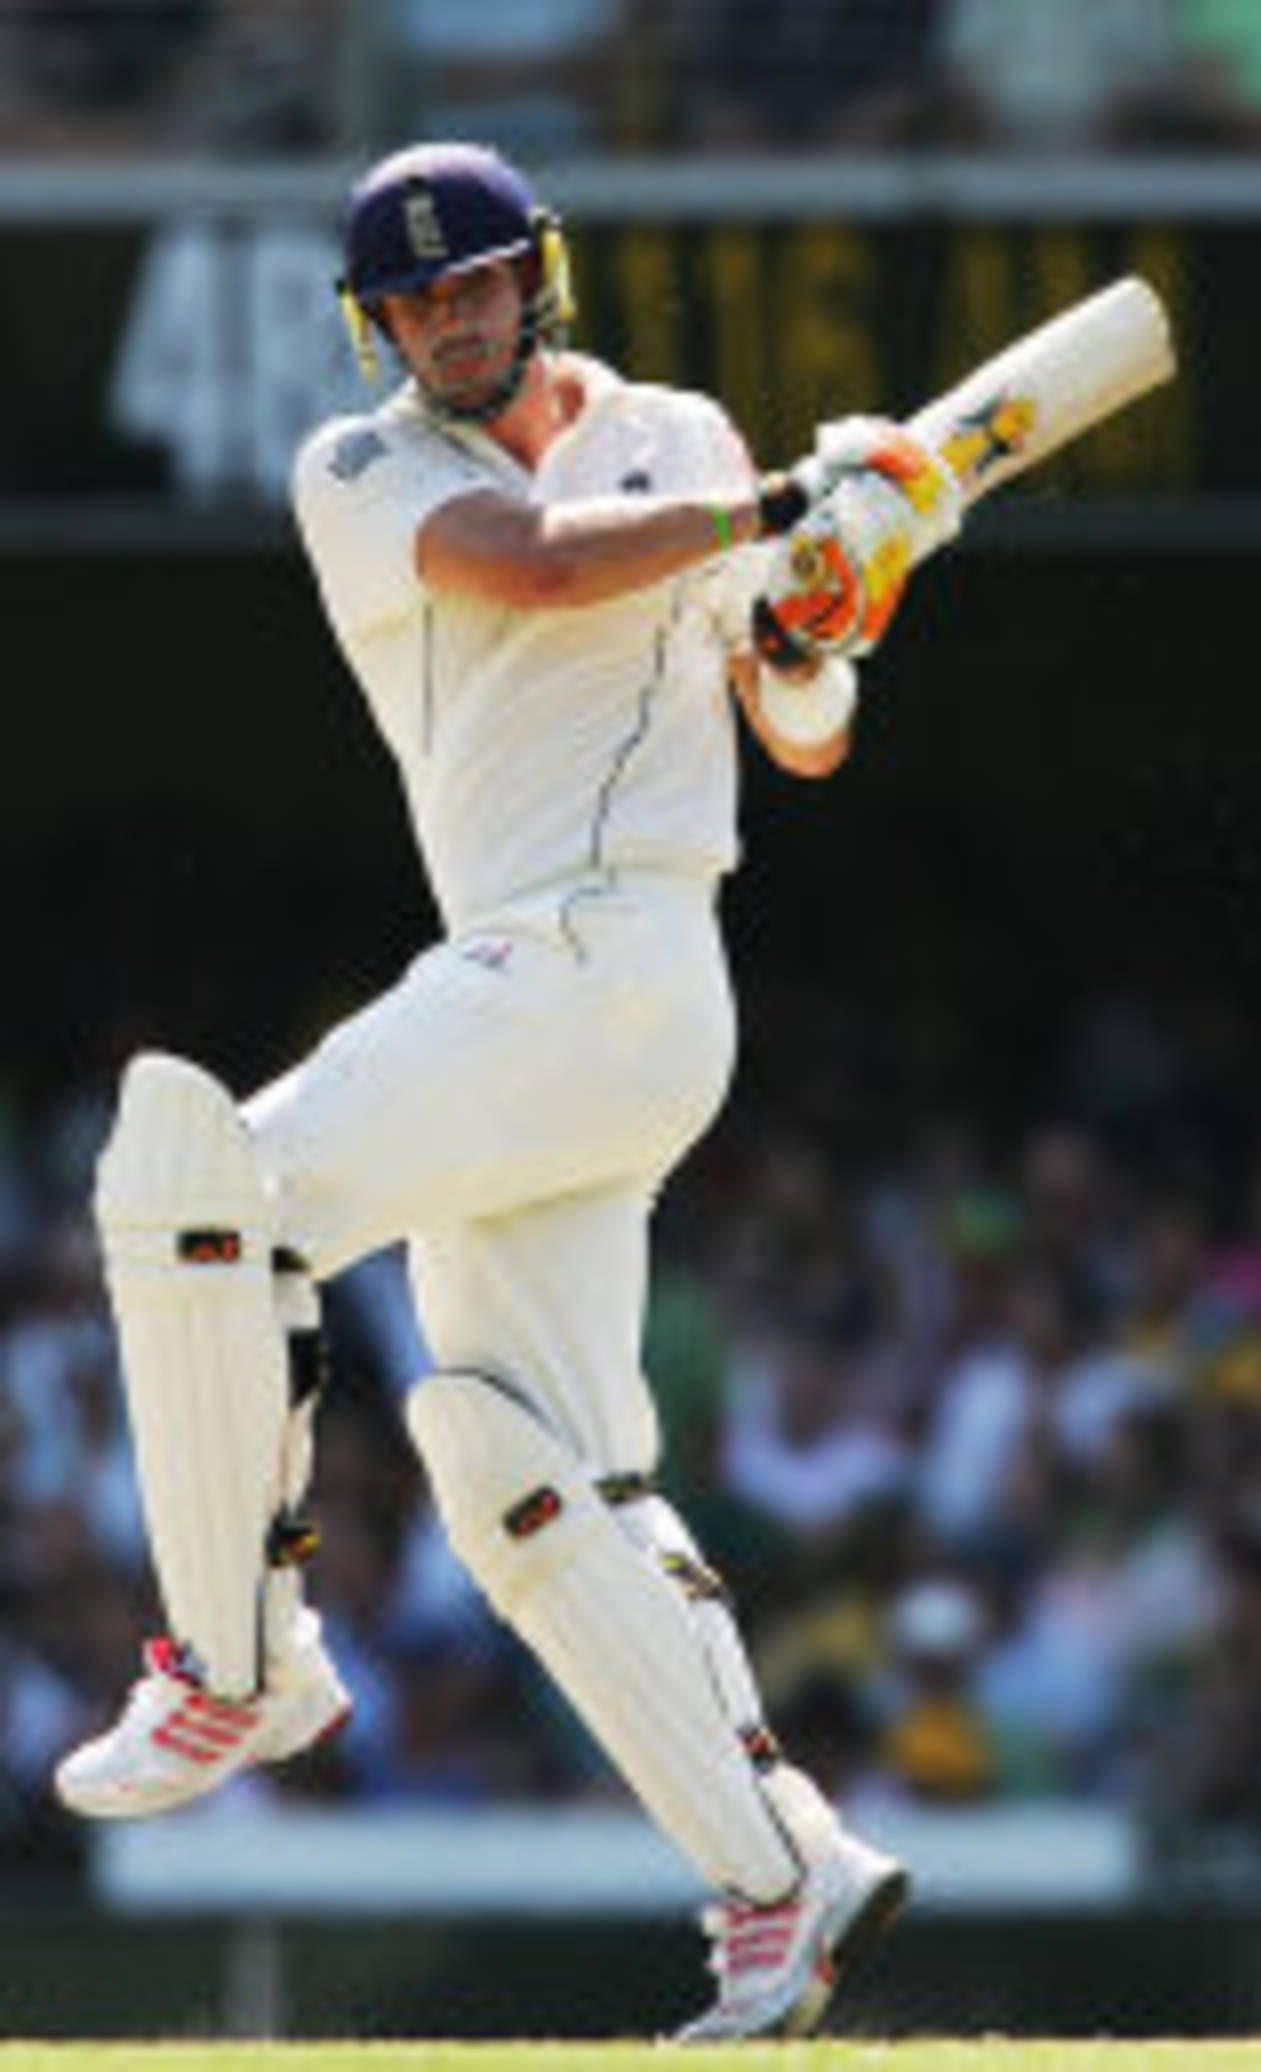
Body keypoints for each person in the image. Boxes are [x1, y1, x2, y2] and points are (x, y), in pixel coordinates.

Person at [53, 140, 960, 2039]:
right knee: (520, 1464)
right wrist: (794, 497)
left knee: (202, 1205)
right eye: (414, 300)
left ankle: (238, 1657)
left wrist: (823, 609)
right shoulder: (363, 473)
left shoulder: (678, 435)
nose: (450, 323)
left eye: (476, 286)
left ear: (535, 276)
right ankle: (781, 1874)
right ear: (374, 322)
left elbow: (794, 730)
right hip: (543, 999)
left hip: (615, 969)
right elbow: (539, 571)